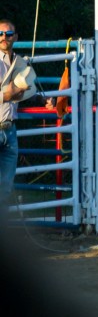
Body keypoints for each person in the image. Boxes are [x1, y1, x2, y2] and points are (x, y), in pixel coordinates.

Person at [0, 19, 29, 206]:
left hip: (10, 130)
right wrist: (6, 94)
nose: (4, 38)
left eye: (8, 34)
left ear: (15, 37)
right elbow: (11, 93)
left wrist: (46, 100)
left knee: (5, 186)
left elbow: (28, 90)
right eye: (1, 34)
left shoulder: (20, 63)